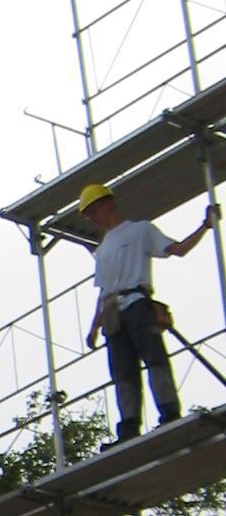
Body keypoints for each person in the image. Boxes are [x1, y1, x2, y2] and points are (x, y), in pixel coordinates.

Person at [80, 181, 219, 445]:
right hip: (113, 313)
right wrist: (94, 327)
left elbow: (177, 250)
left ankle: (169, 413)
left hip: (137, 304)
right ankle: (129, 428)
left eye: (93, 209)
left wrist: (205, 226)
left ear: (108, 203)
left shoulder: (141, 230)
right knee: (123, 373)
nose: (91, 216)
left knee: (155, 359)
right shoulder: (104, 249)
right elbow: (104, 293)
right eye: (88, 213)